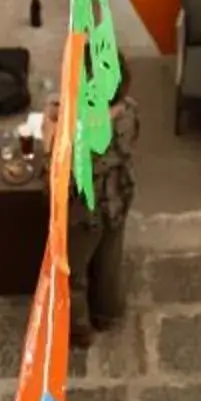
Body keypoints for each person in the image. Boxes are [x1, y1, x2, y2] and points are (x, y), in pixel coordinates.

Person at [61, 89, 136, 349]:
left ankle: (79, 329)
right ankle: (107, 313)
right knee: (109, 258)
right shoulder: (128, 111)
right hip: (117, 196)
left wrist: (53, 131)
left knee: (72, 272)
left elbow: (61, 180)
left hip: (86, 211)